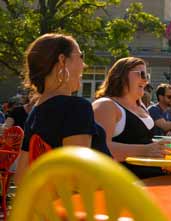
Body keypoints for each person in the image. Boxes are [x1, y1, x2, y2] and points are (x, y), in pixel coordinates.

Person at [15, 33, 111, 184]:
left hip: (50, 205)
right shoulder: (76, 108)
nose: (84, 65)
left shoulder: (35, 112)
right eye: (81, 56)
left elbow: (20, 177)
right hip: (89, 204)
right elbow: (76, 177)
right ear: (62, 60)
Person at [92, 57, 171, 179]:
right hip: (126, 184)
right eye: (141, 74)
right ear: (122, 76)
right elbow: (99, 149)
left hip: (152, 177)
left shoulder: (141, 106)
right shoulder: (106, 105)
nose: (145, 80)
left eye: (147, 76)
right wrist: (146, 150)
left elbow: (142, 141)